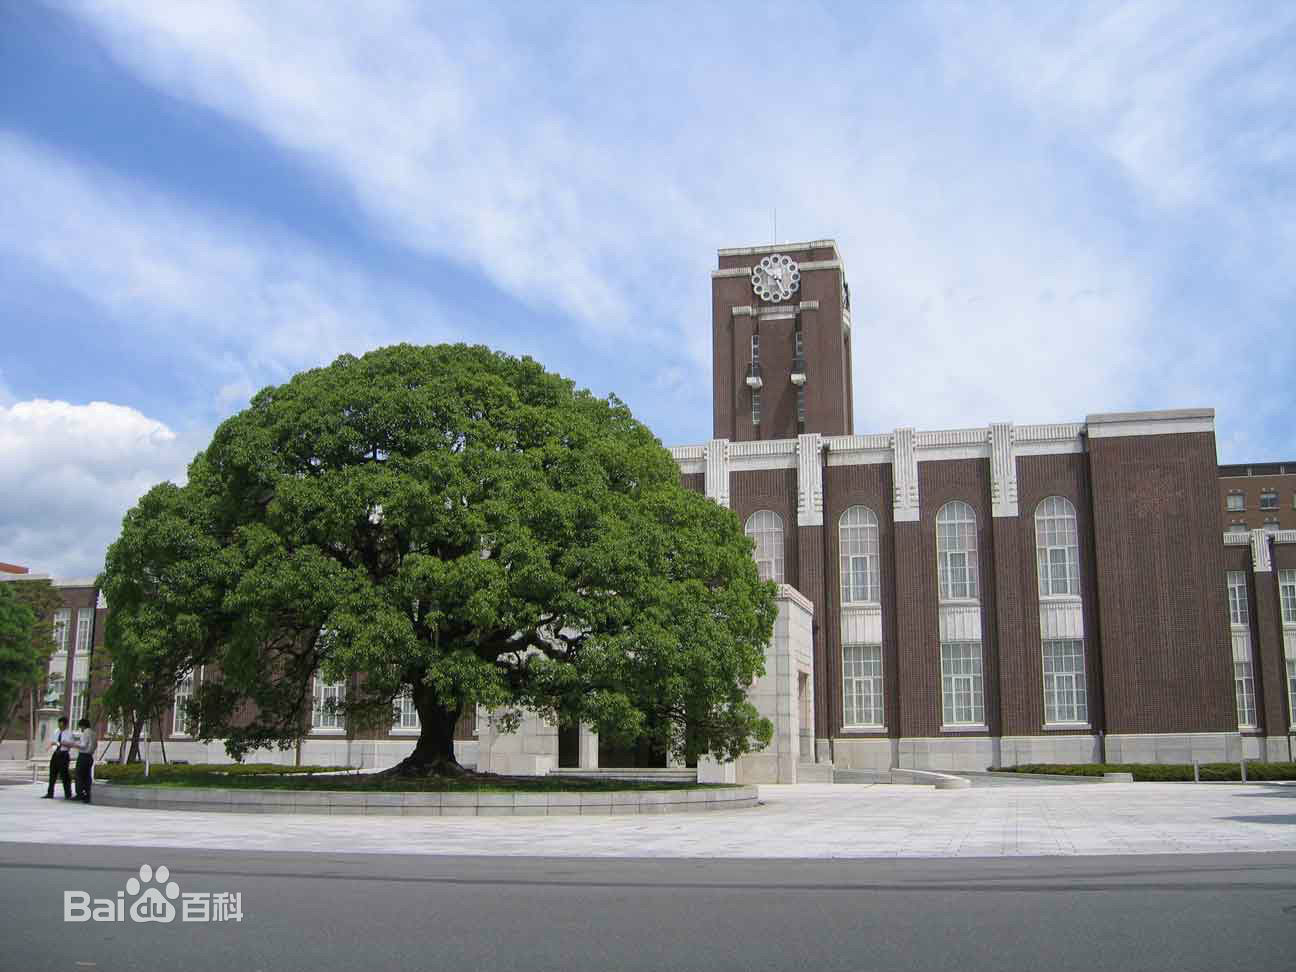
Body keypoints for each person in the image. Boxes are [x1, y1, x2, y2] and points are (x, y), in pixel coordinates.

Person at [43, 716, 73, 799]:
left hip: (64, 754)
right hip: (56, 754)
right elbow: (53, 741)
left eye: (61, 723)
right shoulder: (56, 731)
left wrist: (63, 743)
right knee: (52, 774)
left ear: (65, 724)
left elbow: (71, 744)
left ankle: (68, 794)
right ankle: (50, 793)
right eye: (59, 723)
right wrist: (50, 745)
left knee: (64, 775)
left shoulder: (69, 733)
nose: (59, 725)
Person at [73, 718, 97, 803]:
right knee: (87, 776)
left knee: (79, 775)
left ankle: (80, 793)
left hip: (83, 756)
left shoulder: (85, 733)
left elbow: (83, 745)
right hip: (90, 756)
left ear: (83, 726)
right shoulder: (93, 733)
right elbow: (95, 745)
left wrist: (74, 744)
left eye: (80, 727)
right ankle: (88, 793)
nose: (81, 729)